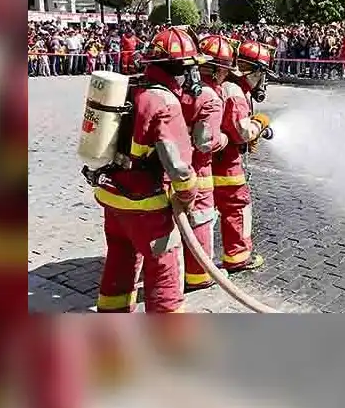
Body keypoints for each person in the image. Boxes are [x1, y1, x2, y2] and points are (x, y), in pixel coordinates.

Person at [92, 27, 202, 313]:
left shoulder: (132, 88)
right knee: (164, 268)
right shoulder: (165, 103)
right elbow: (177, 167)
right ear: (180, 70)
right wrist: (189, 198)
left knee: (120, 259)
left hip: (113, 198)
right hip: (148, 206)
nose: (193, 78)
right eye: (190, 69)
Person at [212, 40, 273, 272]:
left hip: (210, 161)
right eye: (262, 74)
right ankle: (238, 257)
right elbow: (241, 132)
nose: (262, 81)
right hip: (225, 164)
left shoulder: (227, 84)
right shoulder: (235, 92)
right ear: (255, 70)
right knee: (237, 207)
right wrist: (259, 123)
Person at [180, 34, 234, 291]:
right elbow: (206, 142)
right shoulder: (210, 97)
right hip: (198, 170)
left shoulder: (180, 87)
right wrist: (223, 138)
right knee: (201, 218)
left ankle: (180, 266)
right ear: (220, 68)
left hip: (172, 168)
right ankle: (199, 275)